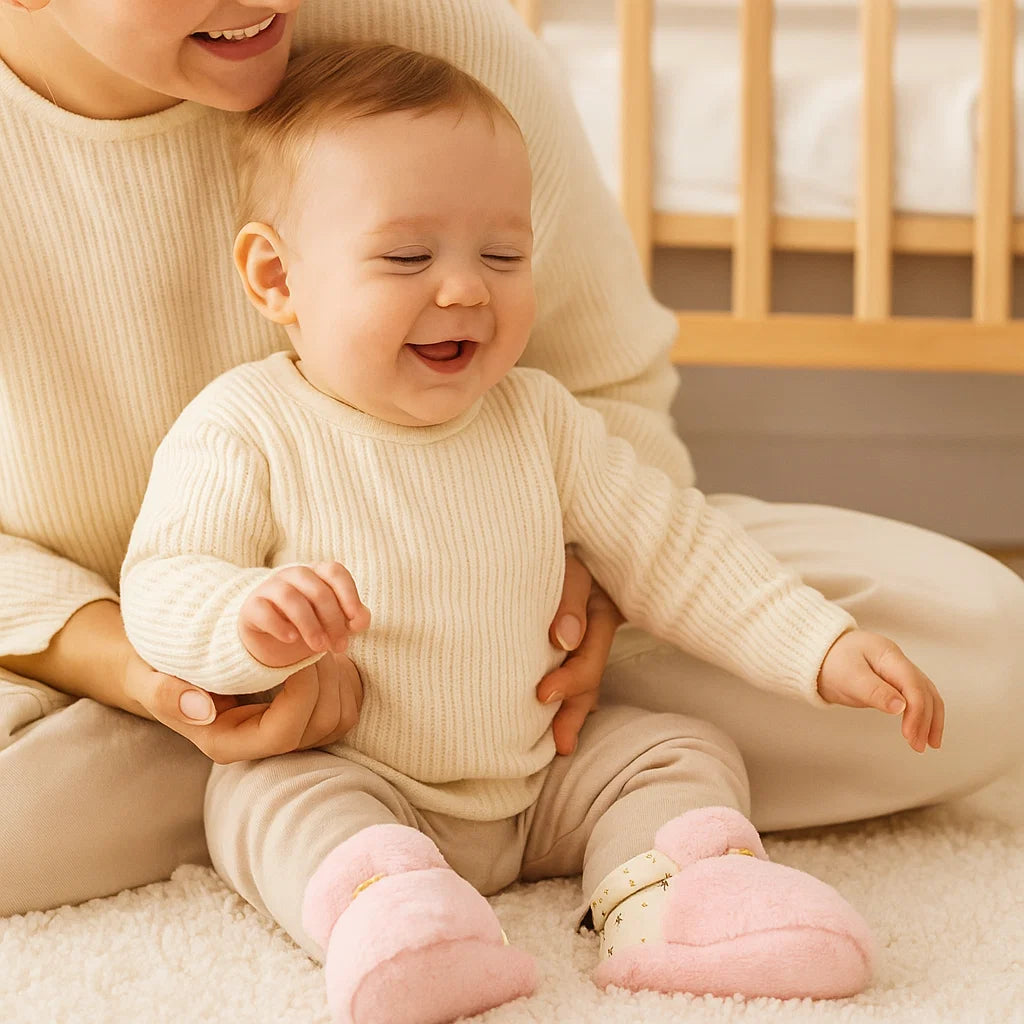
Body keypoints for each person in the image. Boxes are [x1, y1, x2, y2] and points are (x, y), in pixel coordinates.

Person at [0, 0, 1020, 928]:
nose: (463, 293)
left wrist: (607, 581)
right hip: (121, 658)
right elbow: (162, 586)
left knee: (985, 643)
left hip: (520, 674)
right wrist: (165, 674)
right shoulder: (245, 421)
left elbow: (636, 463)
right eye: (407, 259)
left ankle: (657, 881)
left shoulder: (445, 48)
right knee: (218, 789)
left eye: (499, 258)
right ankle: (329, 847)